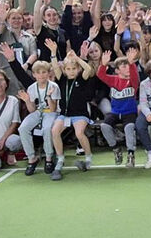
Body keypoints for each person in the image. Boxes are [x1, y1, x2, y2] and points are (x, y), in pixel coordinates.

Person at [50, 49, 100, 180]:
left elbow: (88, 69)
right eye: (68, 69)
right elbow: (55, 67)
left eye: (74, 69)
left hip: (80, 114)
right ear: (64, 70)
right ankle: (60, 159)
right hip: (65, 114)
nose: (71, 71)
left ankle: (88, 158)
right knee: (55, 131)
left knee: (79, 133)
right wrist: (53, 53)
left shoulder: (81, 79)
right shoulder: (61, 79)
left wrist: (77, 59)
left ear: (78, 69)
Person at [97, 52, 141, 168]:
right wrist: (103, 64)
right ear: (117, 70)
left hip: (129, 112)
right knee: (104, 126)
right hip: (115, 112)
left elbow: (135, 75)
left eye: (128, 66)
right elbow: (100, 75)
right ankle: (116, 149)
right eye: (124, 66)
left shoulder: (132, 81)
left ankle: (131, 154)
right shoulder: (113, 80)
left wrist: (131, 63)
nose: (128, 68)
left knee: (129, 127)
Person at [17, 60, 60, 176]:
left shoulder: (53, 86)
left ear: (48, 73)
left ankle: (49, 157)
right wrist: (27, 100)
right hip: (38, 112)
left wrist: (48, 96)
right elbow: (32, 110)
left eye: (44, 72)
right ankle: (32, 158)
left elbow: (53, 109)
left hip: (51, 112)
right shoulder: (31, 88)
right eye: (38, 72)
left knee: (47, 128)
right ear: (34, 74)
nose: (41, 75)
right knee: (23, 128)